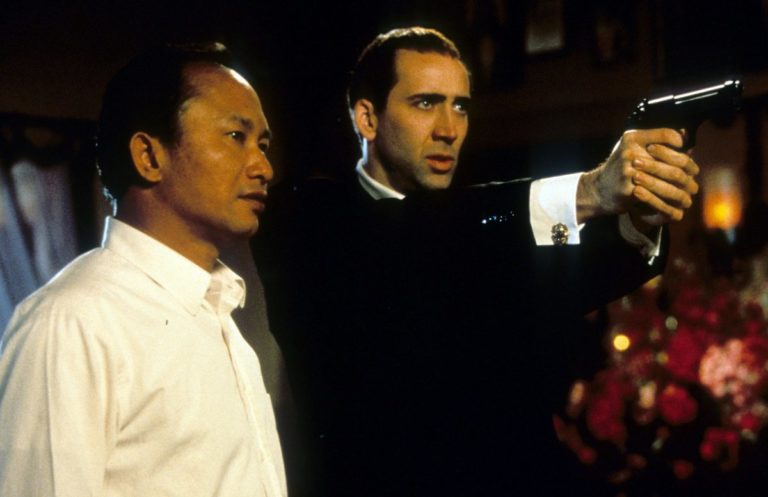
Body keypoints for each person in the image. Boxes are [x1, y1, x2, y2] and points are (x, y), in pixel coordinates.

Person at [253, 27, 699, 496]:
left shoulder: (485, 223)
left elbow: (576, 274)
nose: (449, 129)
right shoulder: (313, 218)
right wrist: (589, 190)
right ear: (367, 117)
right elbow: (412, 235)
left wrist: (642, 216)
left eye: (460, 106)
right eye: (426, 103)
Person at [0, 43, 286, 497]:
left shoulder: (223, 322)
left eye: (263, 145)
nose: (263, 167)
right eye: (236, 136)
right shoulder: (71, 323)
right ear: (149, 157)